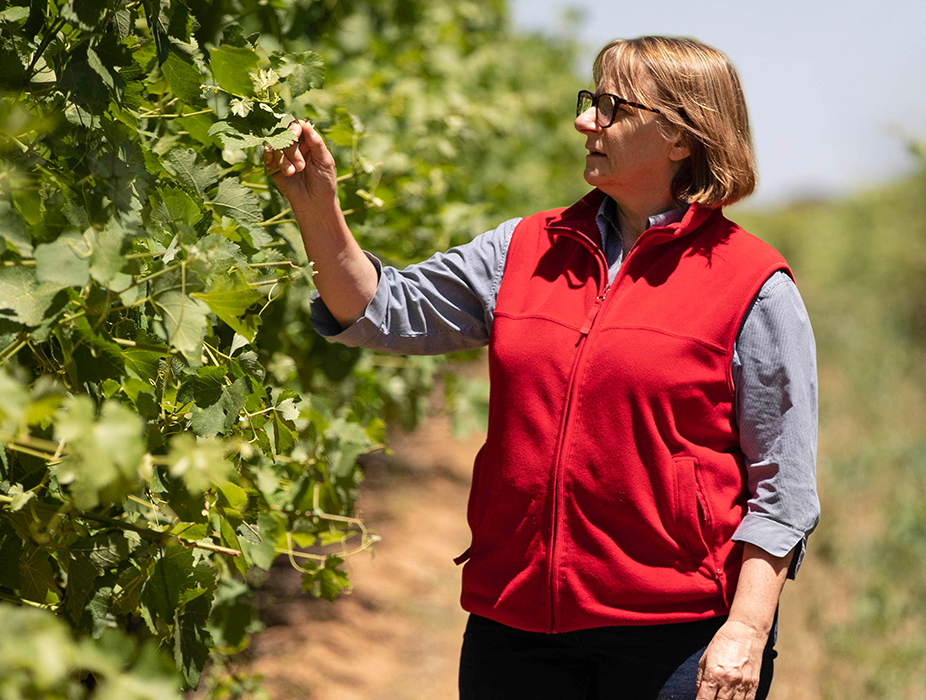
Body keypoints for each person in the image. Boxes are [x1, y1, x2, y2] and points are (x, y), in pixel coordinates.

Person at [266, 35, 819, 700]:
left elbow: (781, 489)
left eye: (613, 108)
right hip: (517, 624)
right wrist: (316, 206)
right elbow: (381, 310)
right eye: (591, 101)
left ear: (679, 135)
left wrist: (747, 631)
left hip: (673, 638)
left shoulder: (752, 284)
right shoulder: (525, 248)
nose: (586, 122)